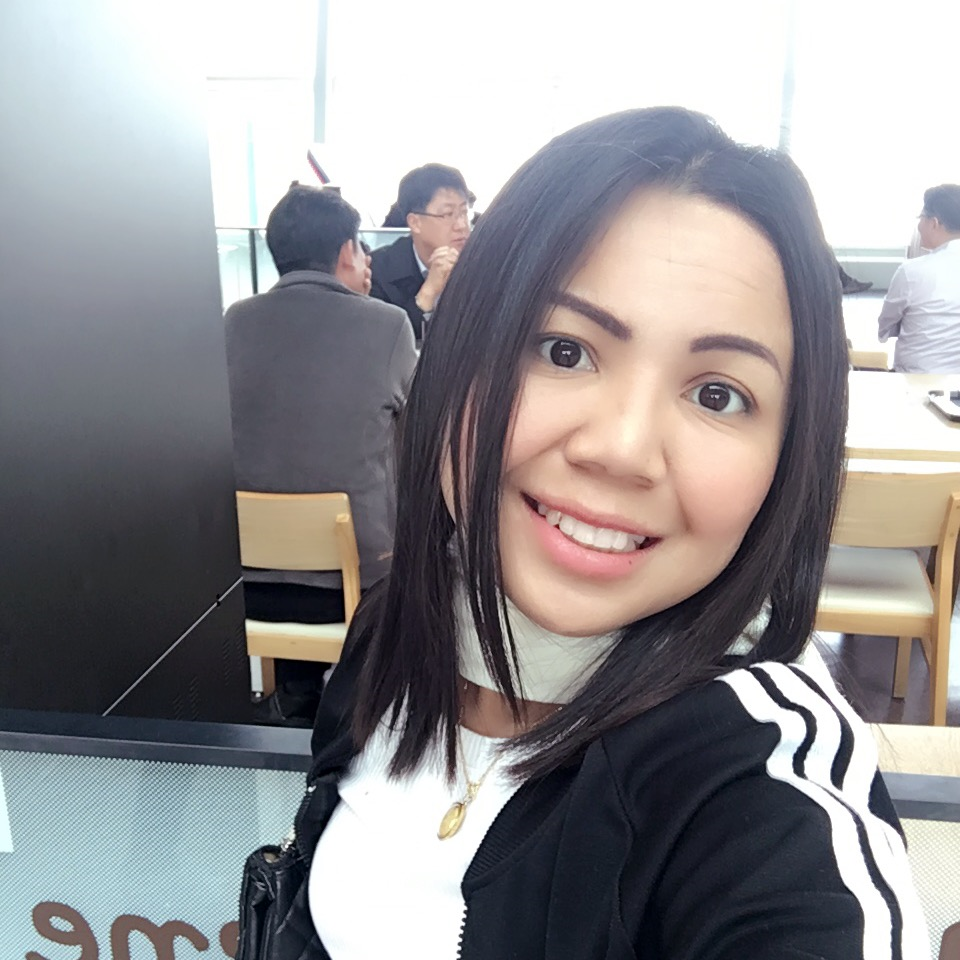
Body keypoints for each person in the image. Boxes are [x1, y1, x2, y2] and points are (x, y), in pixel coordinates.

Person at [268, 108, 928, 958]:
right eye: (563, 349)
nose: (621, 450)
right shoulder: (399, 624)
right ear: (460, 352)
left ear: (788, 455)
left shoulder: (763, 792)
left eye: (718, 394)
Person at [224, 185, 416, 722]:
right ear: (347, 251)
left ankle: (296, 693)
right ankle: (372, 709)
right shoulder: (388, 324)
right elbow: (423, 431)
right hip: (359, 590)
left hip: (244, 581)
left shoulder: (234, 321)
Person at [369, 163, 471, 342]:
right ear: (415, 222)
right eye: (448, 214)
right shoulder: (378, 271)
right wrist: (428, 293)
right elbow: (383, 343)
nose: (461, 225)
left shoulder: (482, 263)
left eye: (464, 212)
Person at [878, 184, 960, 373]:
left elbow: (886, 325)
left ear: (934, 223)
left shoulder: (912, 271)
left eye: (921, 217)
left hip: (914, 380)